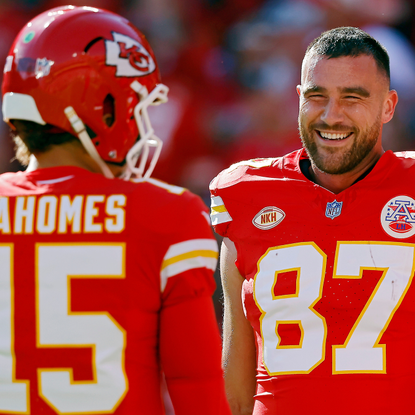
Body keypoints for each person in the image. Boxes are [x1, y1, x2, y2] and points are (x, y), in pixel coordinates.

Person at [0, 6, 230, 415]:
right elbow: (196, 381)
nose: (141, 123)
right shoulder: (166, 215)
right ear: (100, 107)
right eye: (135, 105)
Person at [209, 26, 415, 415]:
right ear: (299, 98)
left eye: (352, 98)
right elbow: (237, 376)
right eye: (317, 96)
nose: (331, 116)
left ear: (388, 106)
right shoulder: (246, 192)